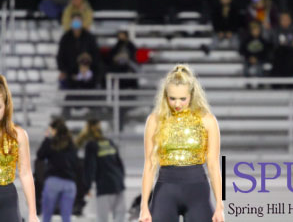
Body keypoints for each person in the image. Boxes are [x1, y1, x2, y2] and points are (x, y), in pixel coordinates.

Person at [139, 64, 224, 222]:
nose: (177, 104)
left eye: (182, 99)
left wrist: (220, 204)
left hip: (197, 190)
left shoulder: (208, 121)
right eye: (172, 98)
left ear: (192, 95)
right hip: (165, 190)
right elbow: (150, 164)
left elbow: (213, 165)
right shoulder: (155, 120)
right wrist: (144, 206)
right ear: (165, 96)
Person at [0, 75, 39, 222]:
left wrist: (32, 213)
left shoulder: (18, 135)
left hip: (7, 197)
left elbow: (25, 173)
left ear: (6, 106)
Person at [81, 119, 126, 222]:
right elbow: (120, 164)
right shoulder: (109, 142)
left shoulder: (91, 145)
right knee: (120, 215)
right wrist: (120, 180)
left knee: (102, 218)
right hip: (118, 184)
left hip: (104, 186)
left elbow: (90, 167)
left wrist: (87, 187)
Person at [37, 118, 78, 222]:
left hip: (53, 181)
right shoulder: (71, 144)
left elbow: (40, 155)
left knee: (47, 216)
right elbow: (76, 164)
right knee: (66, 217)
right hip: (69, 183)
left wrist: (46, 138)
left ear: (54, 130)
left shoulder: (50, 143)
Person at [57, 13, 101, 89]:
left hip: (88, 73)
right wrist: (63, 70)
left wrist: (88, 67)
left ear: (82, 22)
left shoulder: (89, 37)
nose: (76, 23)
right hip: (70, 73)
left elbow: (96, 55)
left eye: (78, 20)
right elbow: (60, 56)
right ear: (71, 22)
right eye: (74, 21)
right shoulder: (65, 38)